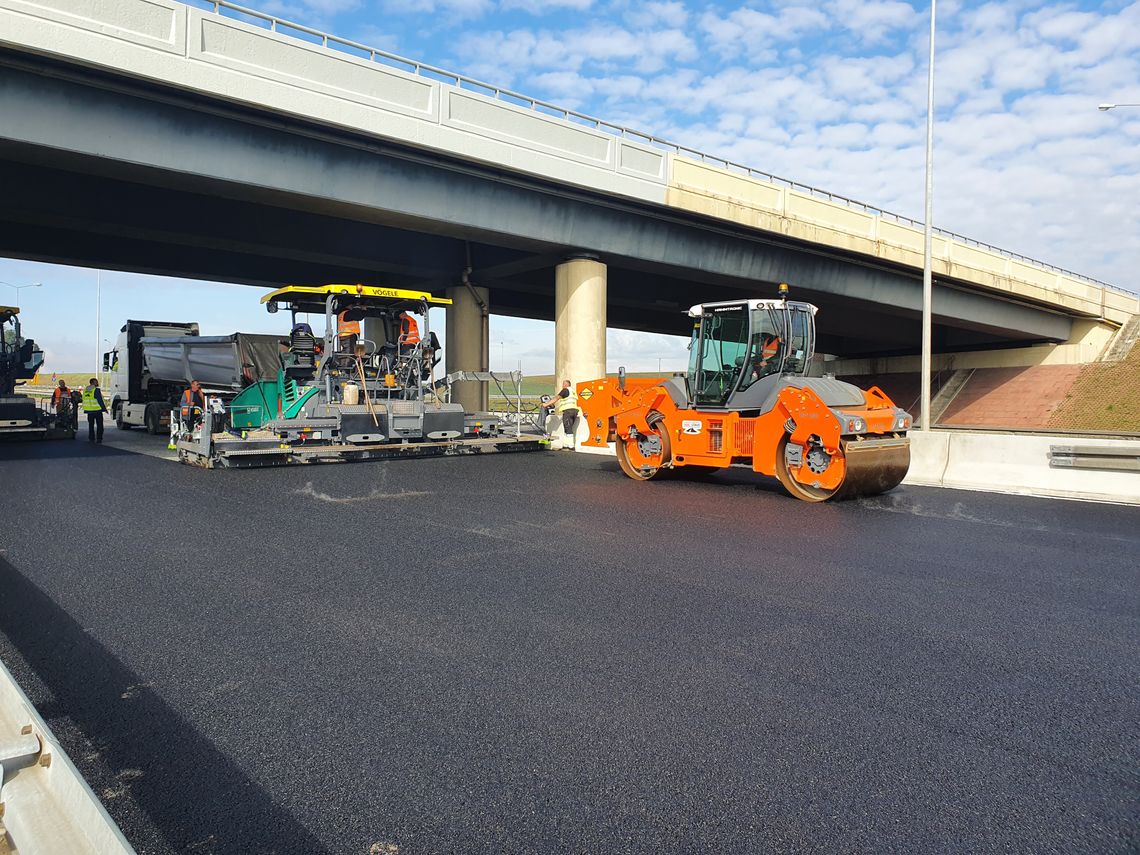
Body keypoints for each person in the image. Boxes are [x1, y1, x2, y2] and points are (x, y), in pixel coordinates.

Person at [541, 379, 578, 449]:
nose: (562, 386)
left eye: (563, 384)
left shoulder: (565, 390)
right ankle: (566, 444)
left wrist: (546, 404)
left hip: (568, 411)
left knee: (568, 427)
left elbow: (557, 398)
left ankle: (571, 445)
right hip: (574, 411)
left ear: (566, 385)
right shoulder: (573, 391)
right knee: (568, 428)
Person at [81, 377, 107, 443]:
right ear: (92, 383)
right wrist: (104, 409)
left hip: (89, 411)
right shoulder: (96, 390)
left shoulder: (86, 390)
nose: (97, 383)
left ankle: (91, 438)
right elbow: (99, 400)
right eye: (96, 382)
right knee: (100, 425)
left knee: (91, 425)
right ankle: (99, 438)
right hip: (97, 410)